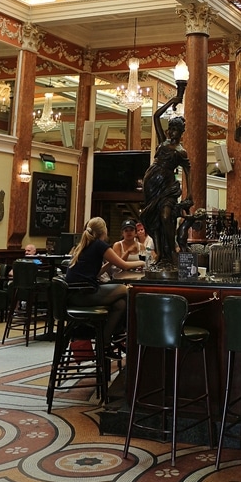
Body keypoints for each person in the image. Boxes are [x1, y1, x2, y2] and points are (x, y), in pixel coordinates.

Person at [65, 217, 144, 349]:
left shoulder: (85, 244)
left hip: (73, 295)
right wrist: (142, 262)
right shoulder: (98, 244)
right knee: (128, 290)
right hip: (84, 294)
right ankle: (124, 333)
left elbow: (95, 274)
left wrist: (109, 263)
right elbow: (124, 265)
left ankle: (105, 341)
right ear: (104, 231)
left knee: (120, 304)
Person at [140, 97, 192, 266]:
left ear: (181, 131)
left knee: (165, 215)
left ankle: (170, 252)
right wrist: (173, 101)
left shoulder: (181, 151)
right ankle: (160, 253)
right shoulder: (163, 142)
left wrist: (189, 194)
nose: (172, 132)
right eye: (171, 128)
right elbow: (156, 116)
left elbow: (188, 171)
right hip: (152, 182)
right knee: (154, 217)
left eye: (176, 129)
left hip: (168, 186)